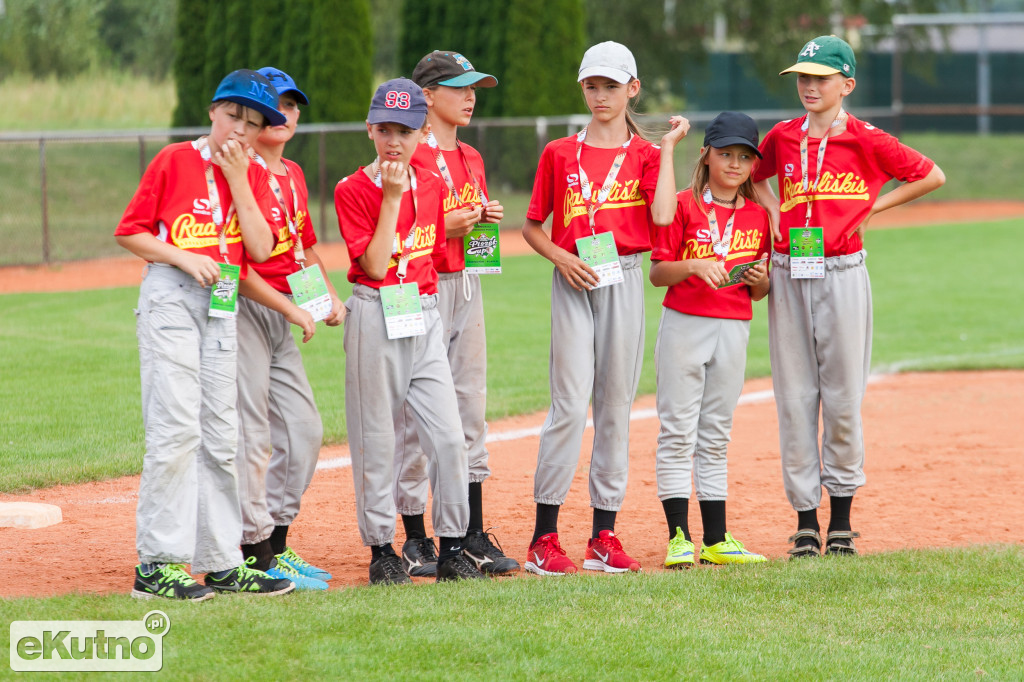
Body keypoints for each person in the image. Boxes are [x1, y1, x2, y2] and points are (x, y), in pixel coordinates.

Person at [752, 35, 945, 557]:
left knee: (841, 400)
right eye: (803, 78)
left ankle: (841, 522)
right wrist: (772, 211)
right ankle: (805, 523)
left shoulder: (866, 137)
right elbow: (749, 174)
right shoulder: (783, 136)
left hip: (842, 271)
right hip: (790, 270)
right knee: (795, 399)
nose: (809, 87)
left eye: (821, 78)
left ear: (847, 84)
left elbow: (931, 174)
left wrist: (873, 208)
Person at [116, 69, 295, 599]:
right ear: (213, 111)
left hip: (221, 305)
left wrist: (240, 178)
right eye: (233, 115)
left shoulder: (256, 174)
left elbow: (261, 250)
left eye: (254, 122)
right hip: (173, 294)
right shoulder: (175, 160)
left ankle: (220, 560)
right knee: (175, 431)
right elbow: (132, 232)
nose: (241, 129)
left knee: (222, 437)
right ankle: (157, 564)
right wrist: (183, 256)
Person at [335, 78, 485, 584]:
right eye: (385, 129)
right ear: (369, 130)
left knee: (447, 438)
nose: (395, 140)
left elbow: (438, 256)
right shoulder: (353, 189)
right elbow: (377, 264)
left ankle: (453, 547)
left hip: (423, 314)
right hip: (376, 312)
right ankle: (382, 549)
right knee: (377, 438)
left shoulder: (435, 185)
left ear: (423, 130)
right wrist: (394, 195)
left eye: (406, 129)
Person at [521, 42, 660, 576]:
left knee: (615, 408)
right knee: (568, 405)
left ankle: (604, 534)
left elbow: (664, 216)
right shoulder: (559, 152)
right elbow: (534, 225)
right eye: (591, 85)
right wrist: (559, 257)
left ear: (633, 88)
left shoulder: (646, 155)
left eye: (611, 85)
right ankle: (543, 537)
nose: (600, 95)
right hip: (574, 277)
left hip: (623, 277)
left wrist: (666, 152)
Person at [391, 50, 519, 578]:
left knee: (469, 405)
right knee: (414, 416)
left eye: (474, 88)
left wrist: (482, 219)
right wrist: (448, 225)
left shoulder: (471, 158)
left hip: (467, 285)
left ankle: (470, 534)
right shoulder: (406, 154)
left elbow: (472, 230)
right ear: (426, 96)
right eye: (459, 87)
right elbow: (397, 233)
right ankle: (416, 537)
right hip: (418, 289)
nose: (470, 97)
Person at [234, 66, 344, 591]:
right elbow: (239, 261)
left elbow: (302, 250)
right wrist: (293, 307)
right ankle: (250, 551)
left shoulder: (294, 174)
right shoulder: (243, 171)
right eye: (276, 104)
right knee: (253, 434)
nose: (286, 114)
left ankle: (276, 543)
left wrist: (323, 298)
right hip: (245, 309)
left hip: (284, 313)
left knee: (303, 431)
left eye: (294, 105)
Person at [649, 112, 771, 568]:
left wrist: (761, 279)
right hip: (685, 321)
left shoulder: (758, 215)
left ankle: (716, 539)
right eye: (726, 154)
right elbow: (659, 273)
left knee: (716, 433)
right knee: (679, 430)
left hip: (734, 326)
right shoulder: (683, 205)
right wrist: (695, 265)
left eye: (744, 157)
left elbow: (758, 291)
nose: (735, 164)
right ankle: (679, 536)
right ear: (707, 155)